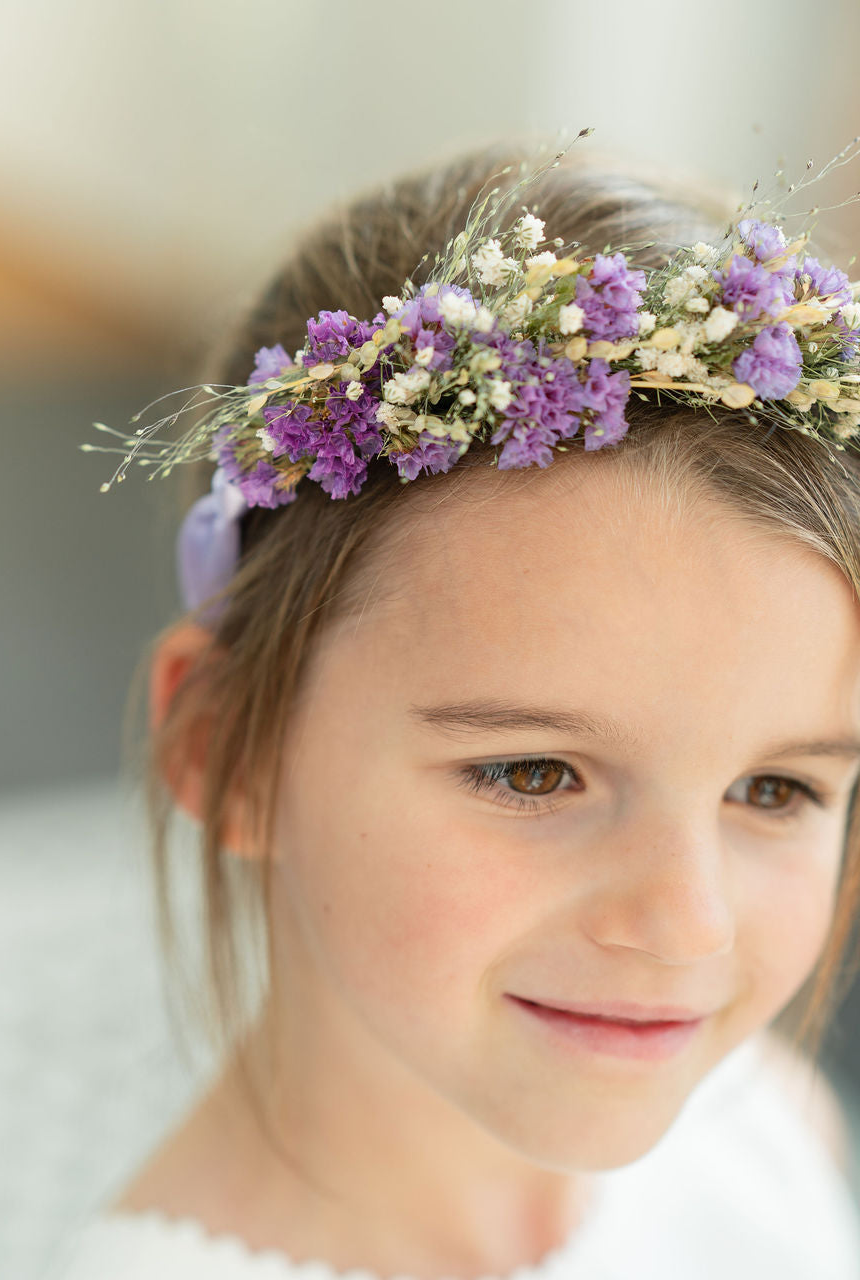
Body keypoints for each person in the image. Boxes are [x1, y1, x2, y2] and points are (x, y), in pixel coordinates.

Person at [52, 140, 860, 1277]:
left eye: (774, 788)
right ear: (230, 747)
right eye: (533, 771)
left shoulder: (766, 1130)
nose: (688, 926)